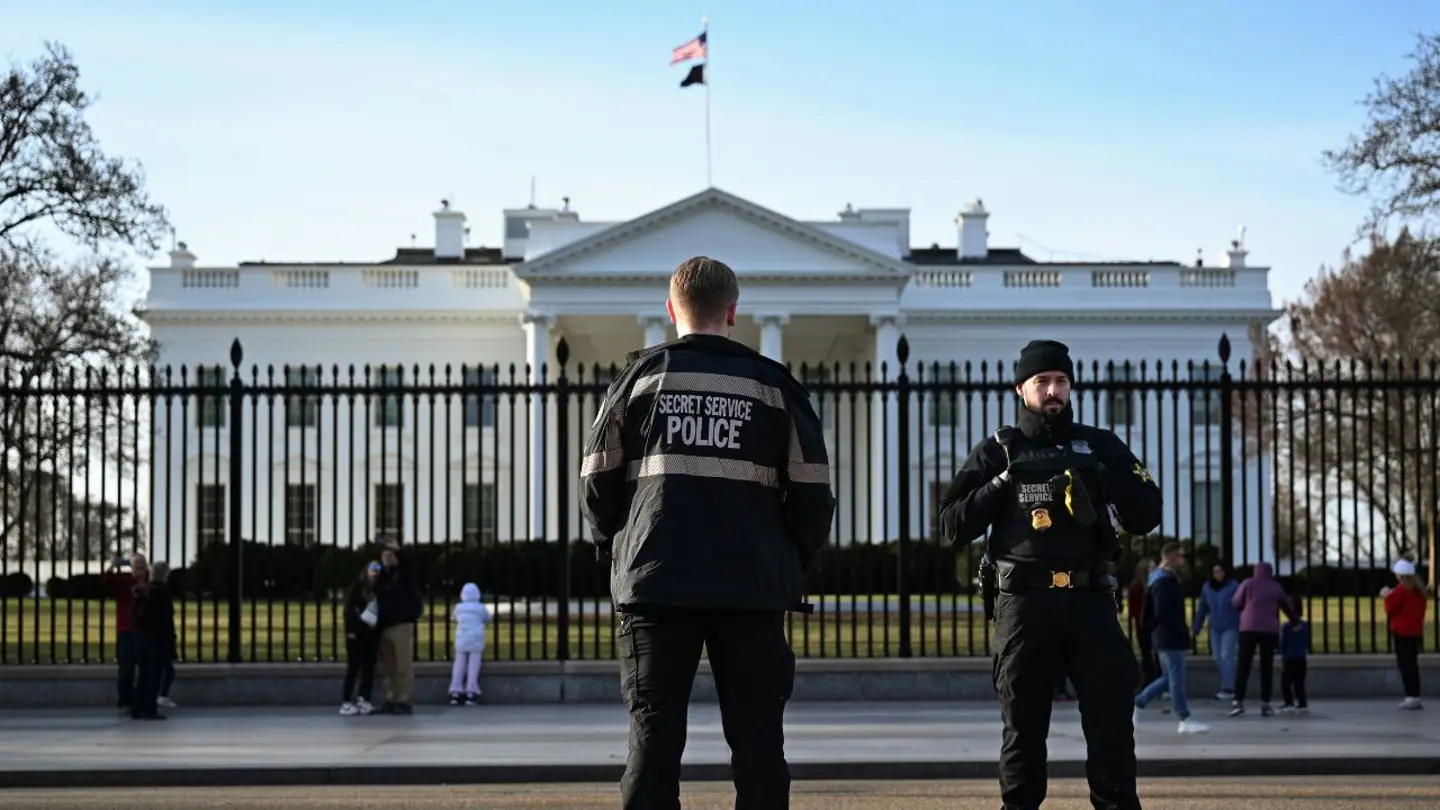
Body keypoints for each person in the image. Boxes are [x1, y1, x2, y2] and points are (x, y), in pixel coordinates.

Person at [579, 255, 835, 810]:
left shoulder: (637, 382)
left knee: (653, 741)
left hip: (656, 585)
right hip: (751, 588)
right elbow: (815, 497)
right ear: (734, 312)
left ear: (671, 310)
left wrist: (621, 547)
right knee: (759, 743)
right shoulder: (774, 387)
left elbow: (597, 487)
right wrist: (785, 556)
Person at [938, 339, 1162, 810]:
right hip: (1024, 606)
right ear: (1021, 389)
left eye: (1061, 381)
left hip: (1090, 601)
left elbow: (1147, 513)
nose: (1053, 391)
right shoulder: (999, 449)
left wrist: (1104, 476)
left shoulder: (1098, 444)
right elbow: (951, 524)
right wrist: (1002, 484)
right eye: (1042, 382)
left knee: (1112, 727)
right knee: (1023, 729)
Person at [1132, 542, 1210, 734]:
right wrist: (1177, 630)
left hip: (1164, 636)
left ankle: (1137, 704)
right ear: (1169, 558)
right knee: (1176, 678)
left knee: (1169, 678)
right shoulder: (1165, 581)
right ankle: (1184, 718)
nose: (1182, 560)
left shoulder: (1160, 579)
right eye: (1179, 556)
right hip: (1169, 636)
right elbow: (1163, 612)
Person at [1228, 561, 1295, 717]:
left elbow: (1236, 603)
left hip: (1248, 627)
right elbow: (1286, 606)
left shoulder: (1247, 584)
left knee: (1243, 666)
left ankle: (1238, 701)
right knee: (1267, 667)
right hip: (1269, 630)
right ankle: (1265, 703)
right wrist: (1295, 621)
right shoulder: (1275, 587)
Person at [374, 534, 422, 715]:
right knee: (390, 667)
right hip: (385, 624)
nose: (387, 558)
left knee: (403, 665)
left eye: (390, 555)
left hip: (402, 623)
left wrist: (399, 551)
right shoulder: (381, 577)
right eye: (384, 555)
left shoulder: (404, 575)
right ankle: (393, 697)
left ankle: (405, 699)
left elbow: (409, 566)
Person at [101, 552, 148, 713]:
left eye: (142, 565)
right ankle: (126, 700)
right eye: (137, 565)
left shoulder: (150, 582)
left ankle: (142, 700)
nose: (140, 569)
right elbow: (106, 584)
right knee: (126, 668)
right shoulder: (125, 581)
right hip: (126, 629)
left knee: (145, 667)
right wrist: (112, 567)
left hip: (145, 630)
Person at [1382, 555, 1428, 710]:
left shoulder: (1401, 591)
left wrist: (1386, 596)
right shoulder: (1419, 591)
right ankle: (1415, 695)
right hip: (1415, 631)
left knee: (1405, 664)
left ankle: (1410, 696)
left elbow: (1390, 609)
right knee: (1412, 665)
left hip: (1401, 631)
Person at [129, 562, 173, 721]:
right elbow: (166, 620)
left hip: (140, 637)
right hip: (157, 638)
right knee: (154, 676)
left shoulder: (142, 591)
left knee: (143, 674)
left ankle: (137, 707)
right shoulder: (162, 593)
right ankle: (149, 708)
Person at [1192, 560, 1241, 701]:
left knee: (1226, 656)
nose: (1217, 575)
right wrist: (1197, 626)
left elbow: (1239, 606)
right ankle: (1229, 682)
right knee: (1217, 657)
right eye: (1215, 572)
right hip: (1215, 627)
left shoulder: (1233, 586)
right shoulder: (1207, 587)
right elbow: (1202, 608)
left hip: (1230, 626)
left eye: (1220, 571)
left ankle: (1228, 688)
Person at [340, 562, 382, 716]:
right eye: (372, 570)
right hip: (356, 634)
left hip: (371, 634)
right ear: (366, 572)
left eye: (377, 571)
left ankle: (364, 699)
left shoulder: (379, 590)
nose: (375, 574)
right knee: (353, 667)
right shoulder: (356, 590)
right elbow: (348, 612)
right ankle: (346, 701)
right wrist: (350, 631)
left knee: (368, 669)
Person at [449, 581, 493, 706]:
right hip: (476, 640)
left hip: (462, 640)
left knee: (459, 665)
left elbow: (453, 618)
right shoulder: (481, 607)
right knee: (474, 666)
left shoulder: (459, 607)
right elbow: (487, 618)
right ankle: (471, 692)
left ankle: (455, 691)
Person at [1127, 560, 1159, 689]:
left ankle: (1152, 679)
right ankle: (1150, 678)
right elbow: (1134, 608)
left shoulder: (1155, 584)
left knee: (1152, 654)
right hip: (1146, 624)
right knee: (1148, 654)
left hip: (1148, 624)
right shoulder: (1137, 587)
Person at [1278, 595, 1310, 714]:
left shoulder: (1286, 626)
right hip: (1301, 658)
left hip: (1289, 658)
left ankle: (1289, 702)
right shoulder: (1305, 625)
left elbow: (1283, 643)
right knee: (1299, 683)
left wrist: (1282, 654)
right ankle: (1302, 703)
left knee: (1286, 682)